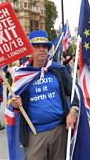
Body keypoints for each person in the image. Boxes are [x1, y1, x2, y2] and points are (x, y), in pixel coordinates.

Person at [11, 30, 79, 159]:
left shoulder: (58, 69)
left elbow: (76, 92)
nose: (42, 49)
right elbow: (15, 103)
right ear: (29, 50)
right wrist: (15, 104)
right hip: (34, 134)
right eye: (37, 46)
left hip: (59, 130)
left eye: (45, 46)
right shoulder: (22, 74)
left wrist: (74, 110)